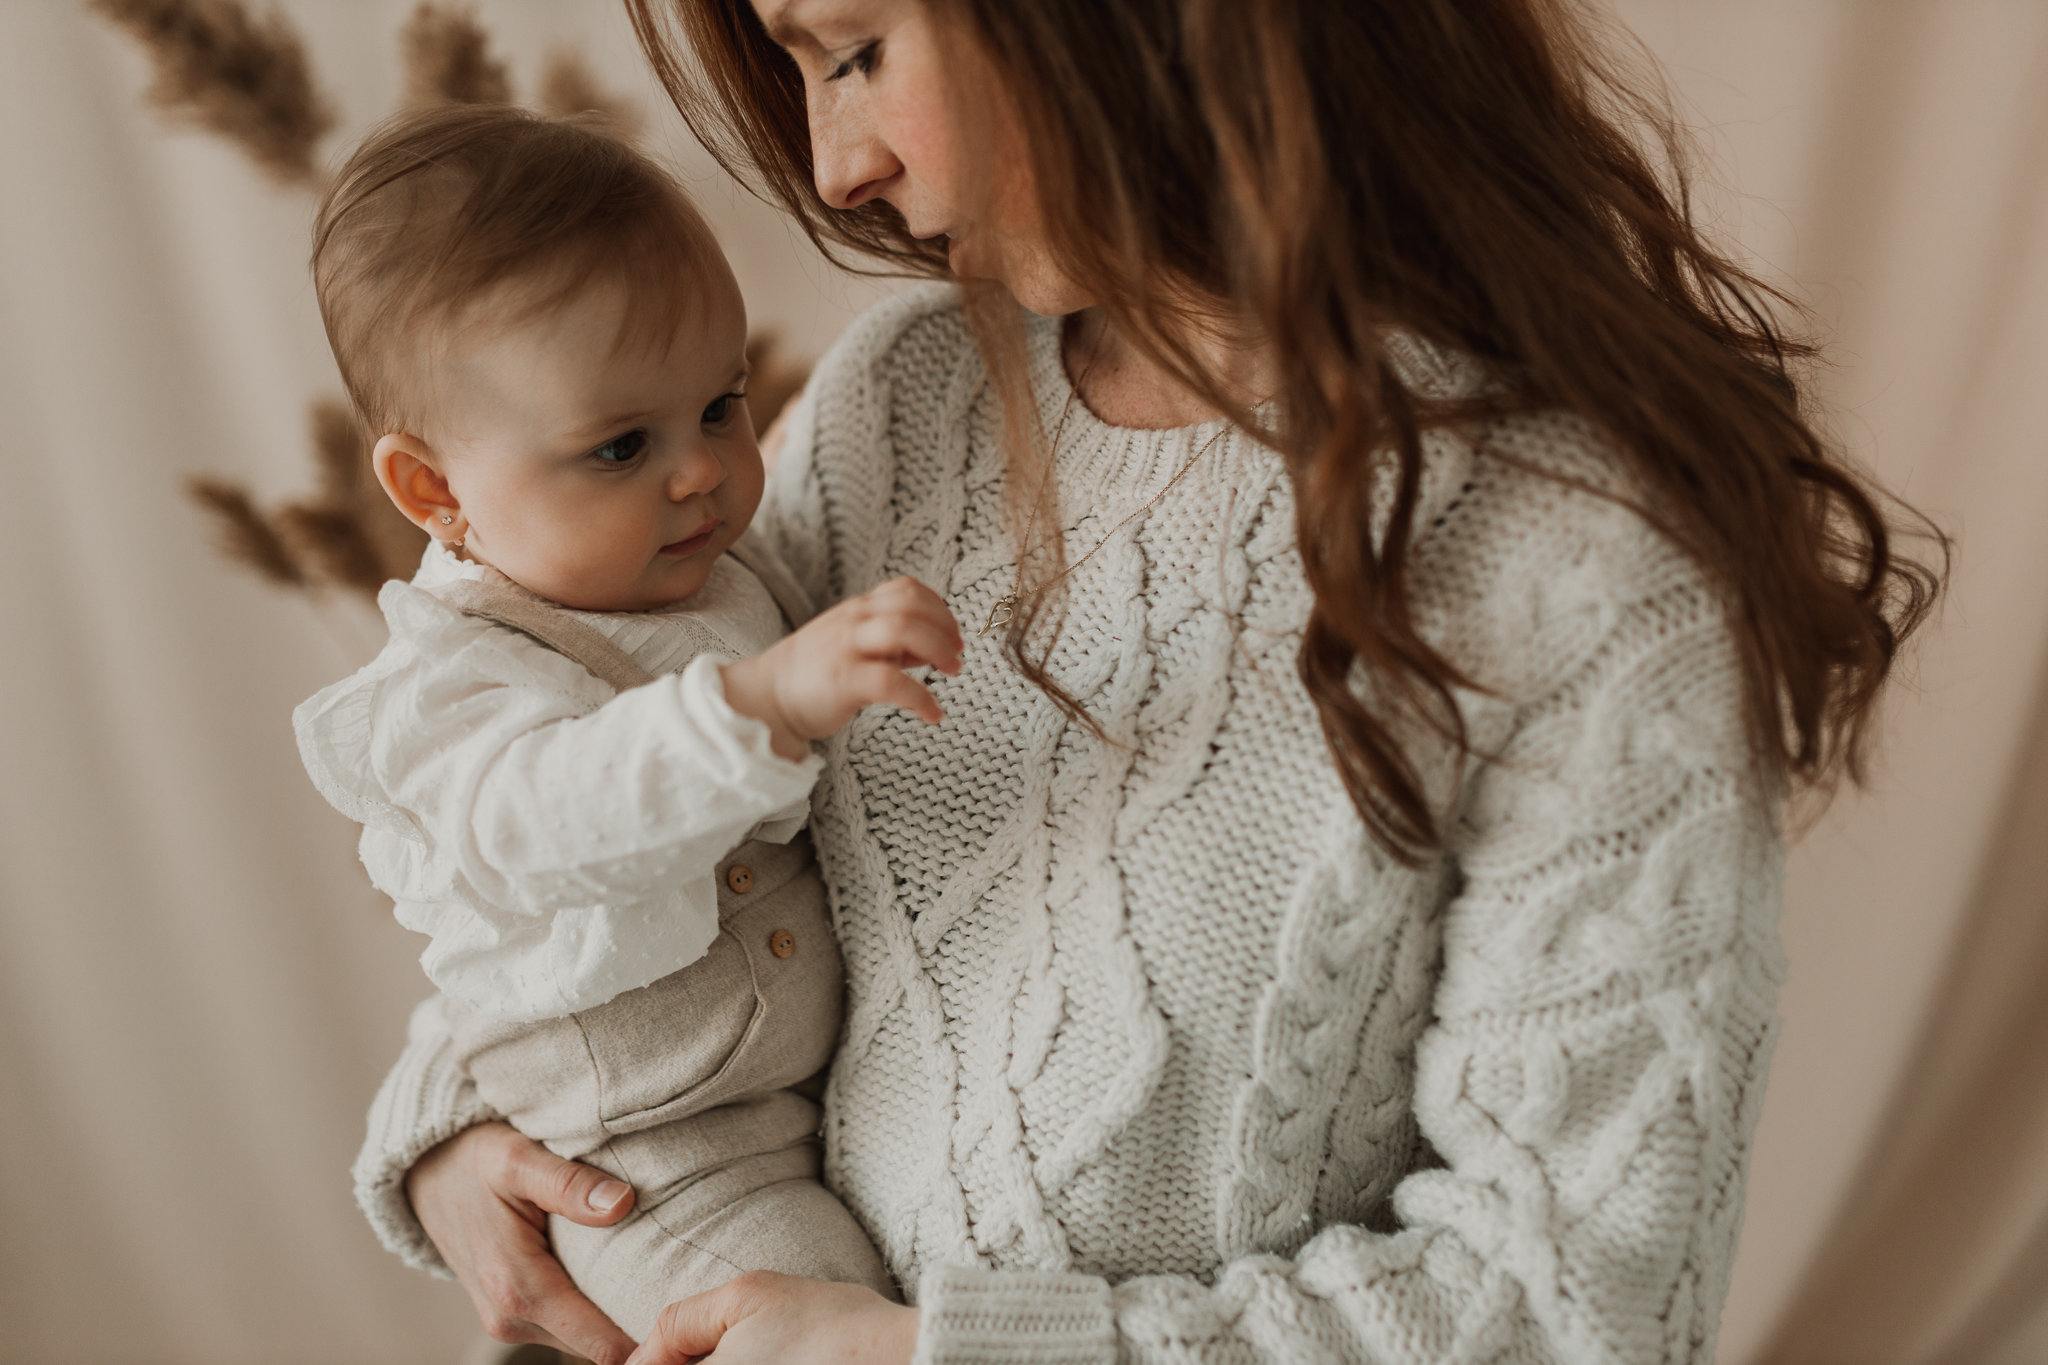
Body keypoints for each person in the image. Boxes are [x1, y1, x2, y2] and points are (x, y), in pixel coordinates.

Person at [355, 2, 1943, 1362]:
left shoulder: (1585, 558)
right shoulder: (905, 408)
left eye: (851, 52)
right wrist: (453, 1125)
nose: (840, 168)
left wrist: (937, 1353)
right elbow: (619, 780)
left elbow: (1572, 1299)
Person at [295, 103, 964, 1338]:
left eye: (720, 404)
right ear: (434, 490)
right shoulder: (451, 681)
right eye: (619, 446)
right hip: (665, 1156)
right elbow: (545, 816)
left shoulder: (713, 560)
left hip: (818, 1090)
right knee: (809, 1314)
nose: (702, 470)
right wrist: (757, 706)